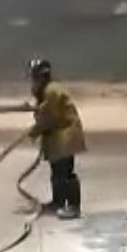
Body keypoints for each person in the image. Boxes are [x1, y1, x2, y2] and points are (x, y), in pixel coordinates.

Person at [28, 58, 86, 219]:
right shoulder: (49, 90)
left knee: (65, 173)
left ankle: (74, 207)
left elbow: (50, 118)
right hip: (58, 137)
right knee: (57, 172)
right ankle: (58, 202)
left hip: (65, 136)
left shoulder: (51, 91)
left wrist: (35, 131)